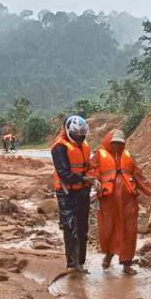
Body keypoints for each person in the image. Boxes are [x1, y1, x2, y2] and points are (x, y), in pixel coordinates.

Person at [90, 129, 151, 275]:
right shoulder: (99, 155)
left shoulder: (128, 156)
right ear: (109, 142)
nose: (117, 146)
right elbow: (91, 170)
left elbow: (139, 176)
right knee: (108, 228)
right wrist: (94, 180)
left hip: (128, 200)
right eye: (114, 143)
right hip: (108, 200)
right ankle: (108, 255)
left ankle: (127, 263)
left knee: (129, 230)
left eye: (120, 143)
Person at [51, 114, 92, 272]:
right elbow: (64, 173)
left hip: (82, 190)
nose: (79, 139)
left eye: (82, 136)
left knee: (82, 228)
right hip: (66, 192)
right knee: (70, 227)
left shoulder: (84, 145)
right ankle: (72, 264)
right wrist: (85, 178)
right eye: (76, 136)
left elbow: (89, 166)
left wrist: (91, 179)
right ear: (68, 131)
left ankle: (80, 262)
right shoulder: (59, 147)